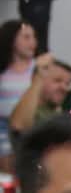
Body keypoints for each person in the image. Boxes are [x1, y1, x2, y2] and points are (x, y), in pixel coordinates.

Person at [6, 53, 71, 144]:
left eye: (67, 84)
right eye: (57, 80)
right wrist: (38, 78)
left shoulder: (57, 113)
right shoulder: (22, 106)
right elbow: (19, 129)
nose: (64, 88)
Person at [0, 18, 40, 170]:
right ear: (11, 39)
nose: (33, 42)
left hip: (31, 126)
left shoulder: (38, 68)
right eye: (26, 37)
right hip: (3, 128)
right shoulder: (3, 69)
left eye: (34, 37)